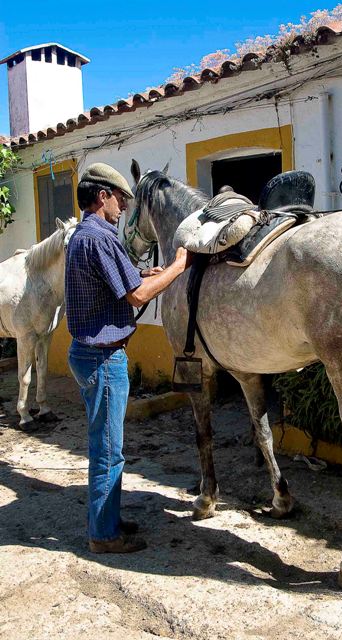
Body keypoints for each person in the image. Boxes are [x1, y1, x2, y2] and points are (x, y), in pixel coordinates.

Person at [65, 162, 192, 553]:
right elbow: (137, 296)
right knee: (107, 450)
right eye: (120, 199)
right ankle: (104, 536)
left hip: (89, 355)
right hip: (103, 359)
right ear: (102, 196)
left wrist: (146, 273)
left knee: (108, 446)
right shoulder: (100, 238)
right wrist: (177, 266)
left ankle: (109, 519)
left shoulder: (86, 236)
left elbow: (125, 283)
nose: (123, 208)